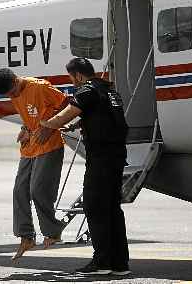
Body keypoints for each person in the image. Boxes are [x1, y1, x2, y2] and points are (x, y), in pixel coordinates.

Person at [40, 58, 130, 276]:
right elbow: (100, 114)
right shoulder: (108, 90)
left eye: (72, 79)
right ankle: (119, 264)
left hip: (100, 157)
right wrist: (78, 124)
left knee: (95, 207)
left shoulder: (86, 90)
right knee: (112, 209)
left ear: (78, 76)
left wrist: (43, 125)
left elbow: (64, 114)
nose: (72, 83)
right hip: (117, 155)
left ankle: (101, 263)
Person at [0, 68, 67, 261]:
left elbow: (66, 104)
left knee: (38, 190)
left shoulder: (39, 87)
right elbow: (29, 114)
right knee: (19, 190)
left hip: (49, 144)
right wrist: (25, 127)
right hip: (30, 145)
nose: (12, 97)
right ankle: (26, 236)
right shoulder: (14, 92)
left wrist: (50, 127)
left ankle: (53, 231)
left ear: (17, 81)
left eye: (12, 93)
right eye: (9, 96)